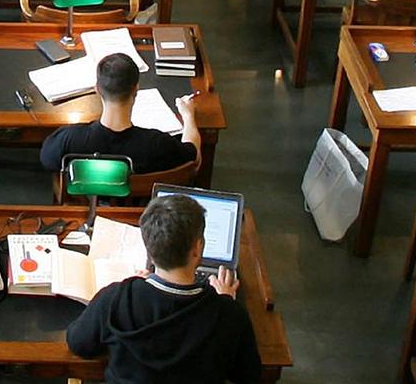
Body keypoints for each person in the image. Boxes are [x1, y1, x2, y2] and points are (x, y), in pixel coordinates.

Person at [65, 190, 259, 384]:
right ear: (197, 247)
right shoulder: (229, 315)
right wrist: (225, 301)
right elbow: (248, 375)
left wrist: (132, 286)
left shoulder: (116, 298)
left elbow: (78, 343)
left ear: (148, 248)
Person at [40, 53, 201, 175]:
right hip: (140, 209)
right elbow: (193, 156)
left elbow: (46, 160)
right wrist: (188, 116)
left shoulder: (68, 139)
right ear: (135, 89)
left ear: (97, 89)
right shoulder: (157, 144)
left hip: (86, 206)